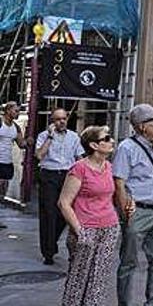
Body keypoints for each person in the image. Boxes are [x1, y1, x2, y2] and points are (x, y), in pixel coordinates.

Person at [58, 125, 129, 306]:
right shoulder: (79, 168)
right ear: (94, 145)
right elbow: (64, 203)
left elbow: (113, 194)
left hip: (109, 228)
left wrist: (130, 202)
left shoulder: (110, 167)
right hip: (85, 228)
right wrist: (80, 232)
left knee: (99, 279)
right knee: (78, 279)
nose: (111, 141)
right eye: (106, 138)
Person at [115, 103, 153, 306]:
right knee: (129, 262)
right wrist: (126, 214)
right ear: (142, 126)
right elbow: (119, 184)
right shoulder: (126, 148)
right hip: (137, 210)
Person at [35, 108, 83, 265]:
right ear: (52, 121)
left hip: (67, 176)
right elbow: (39, 155)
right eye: (57, 119)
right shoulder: (44, 136)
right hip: (49, 176)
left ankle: (51, 241)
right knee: (49, 213)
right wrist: (50, 136)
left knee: (65, 213)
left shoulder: (74, 137)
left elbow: (79, 158)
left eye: (63, 118)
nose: (61, 121)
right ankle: (48, 252)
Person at [0, 101, 27, 230]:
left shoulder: (15, 127)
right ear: (8, 110)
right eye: (15, 110)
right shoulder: (0, 123)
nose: (17, 113)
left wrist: (29, 142)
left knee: (2, 191)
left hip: (7, 162)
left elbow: (21, 144)